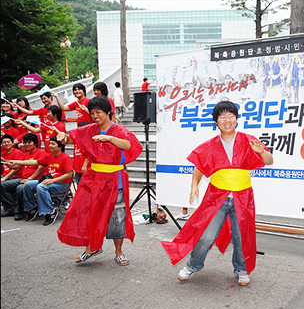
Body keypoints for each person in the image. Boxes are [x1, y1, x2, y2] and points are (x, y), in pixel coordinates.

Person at [160, 100, 273, 286]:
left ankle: (241, 269)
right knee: (206, 236)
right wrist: (194, 184)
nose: (227, 120)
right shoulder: (210, 145)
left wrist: (261, 152)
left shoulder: (248, 140)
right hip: (217, 198)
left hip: (243, 198)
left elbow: (269, 161)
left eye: (231, 115)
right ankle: (193, 265)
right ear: (216, 121)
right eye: (222, 116)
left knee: (241, 236)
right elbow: (200, 166)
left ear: (236, 119)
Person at [56, 96, 142, 265]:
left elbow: (128, 145)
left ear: (108, 112)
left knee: (117, 218)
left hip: (114, 181)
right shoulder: (89, 129)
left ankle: (119, 252)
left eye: (99, 112)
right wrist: (61, 137)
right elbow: (69, 139)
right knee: (90, 213)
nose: (95, 116)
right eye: (92, 112)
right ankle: (92, 247)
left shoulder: (118, 130)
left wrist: (109, 138)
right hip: (94, 180)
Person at [9, 136, 73, 225]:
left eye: (53, 144)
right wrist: (16, 162)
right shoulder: (49, 156)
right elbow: (34, 162)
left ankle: (50, 212)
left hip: (61, 185)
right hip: (49, 182)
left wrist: (52, 181)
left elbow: (69, 174)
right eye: (50, 143)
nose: (50, 145)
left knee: (41, 186)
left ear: (60, 146)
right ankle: (31, 208)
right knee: (28, 184)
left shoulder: (66, 158)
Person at [0, 133, 46, 219]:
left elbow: (41, 169)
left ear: (35, 143)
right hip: (23, 179)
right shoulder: (26, 154)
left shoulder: (41, 153)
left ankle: (21, 212)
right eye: (25, 142)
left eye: (29, 142)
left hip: (35, 180)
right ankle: (12, 208)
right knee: (2, 185)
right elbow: (16, 167)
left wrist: (30, 179)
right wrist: (6, 162)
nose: (26, 144)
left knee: (20, 188)